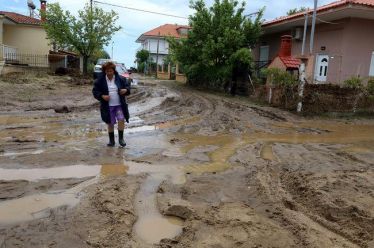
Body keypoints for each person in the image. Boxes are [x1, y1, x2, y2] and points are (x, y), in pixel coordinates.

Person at [92, 62, 131, 147]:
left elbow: (128, 87)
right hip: (108, 106)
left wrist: (126, 90)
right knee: (110, 123)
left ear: (114, 71)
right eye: (107, 71)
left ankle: (121, 139)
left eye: (111, 71)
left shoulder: (120, 79)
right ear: (104, 71)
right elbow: (95, 92)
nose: (109, 73)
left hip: (119, 105)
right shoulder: (100, 81)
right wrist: (102, 96)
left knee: (121, 120)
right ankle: (111, 141)